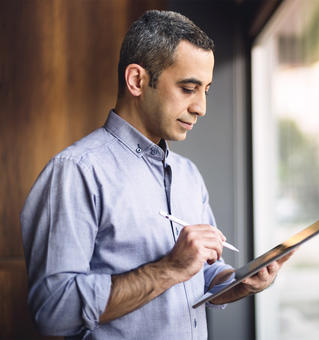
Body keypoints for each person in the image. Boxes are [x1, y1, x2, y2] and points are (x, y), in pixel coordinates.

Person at [21, 10, 293, 339]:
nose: (201, 107)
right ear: (137, 80)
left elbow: (202, 277)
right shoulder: (75, 172)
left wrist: (237, 282)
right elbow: (54, 310)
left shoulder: (188, 175)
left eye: (206, 89)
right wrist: (170, 268)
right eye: (188, 88)